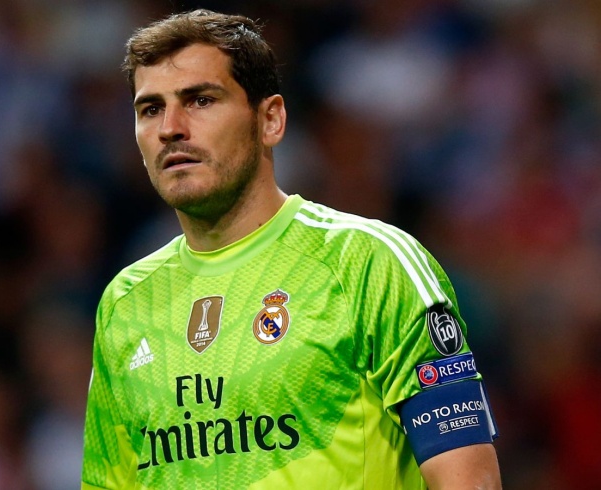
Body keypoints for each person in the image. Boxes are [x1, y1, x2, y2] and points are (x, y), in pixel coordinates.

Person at [81, 9, 501, 490]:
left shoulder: (369, 262)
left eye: (201, 100)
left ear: (271, 120)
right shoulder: (125, 303)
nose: (170, 127)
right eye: (150, 109)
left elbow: (471, 481)